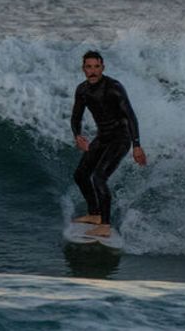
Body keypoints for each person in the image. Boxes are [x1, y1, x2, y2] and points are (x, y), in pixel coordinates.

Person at [70, 50, 146, 238]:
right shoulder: (82, 90)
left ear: (103, 68)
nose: (93, 71)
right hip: (103, 137)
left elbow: (130, 116)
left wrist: (136, 145)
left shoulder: (114, 87)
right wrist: (77, 135)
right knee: (80, 175)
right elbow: (76, 115)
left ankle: (105, 225)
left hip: (121, 138)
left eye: (97, 67)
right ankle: (94, 214)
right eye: (89, 67)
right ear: (83, 69)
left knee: (99, 178)